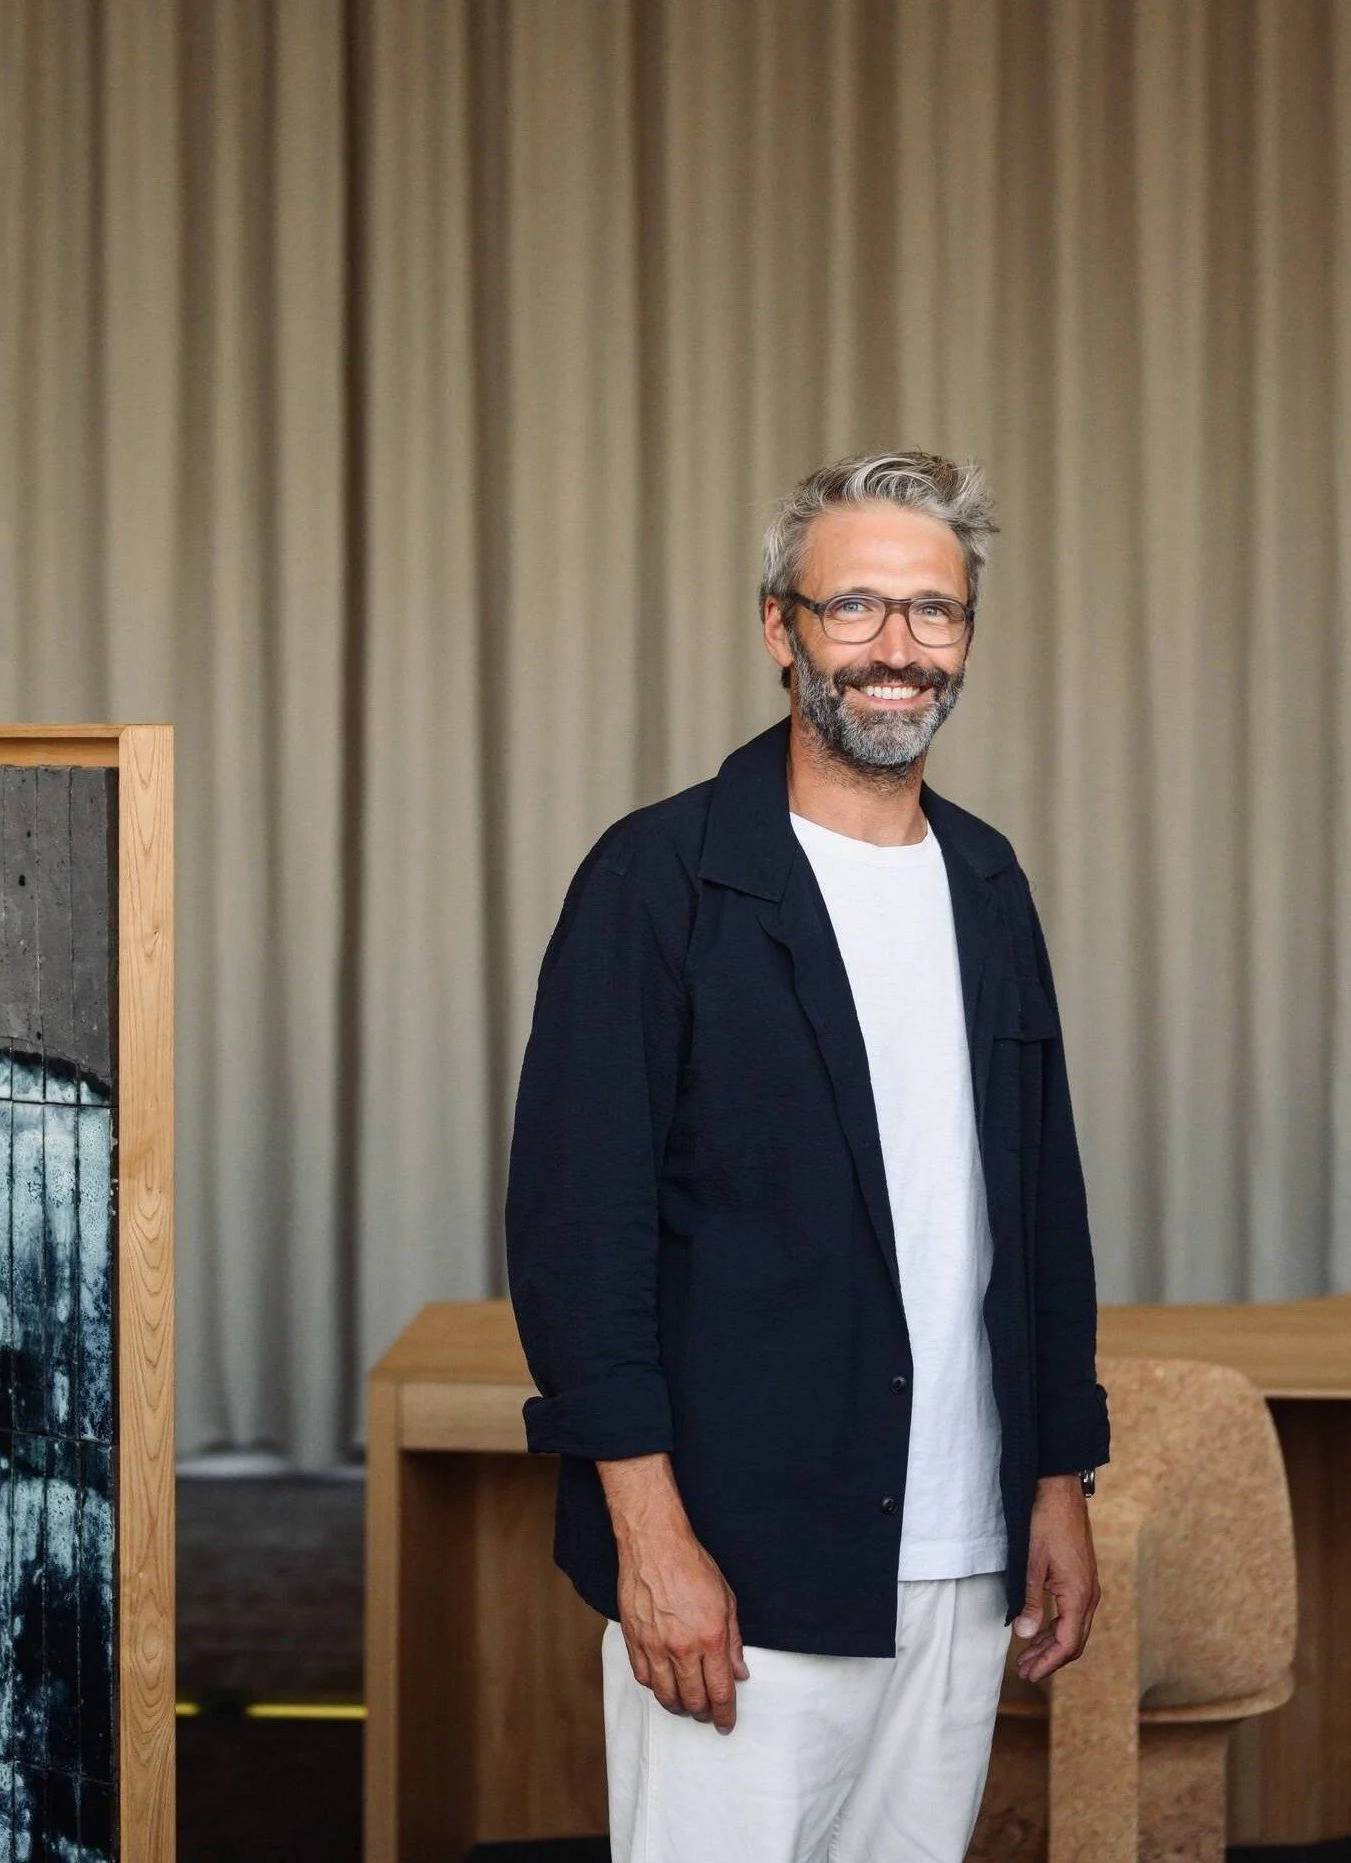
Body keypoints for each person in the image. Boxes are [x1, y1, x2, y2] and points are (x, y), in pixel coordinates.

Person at [506, 450, 1108, 1863]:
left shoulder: (988, 883)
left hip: (965, 1569)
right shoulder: (657, 882)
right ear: (783, 629)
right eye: (857, 611)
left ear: (966, 636)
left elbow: (1040, 1212)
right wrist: (653, 1540)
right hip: (741, 1571)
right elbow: (576, 1238)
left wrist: (1059, 1479)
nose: (898, 652)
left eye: (934, 614)